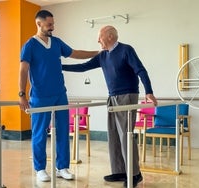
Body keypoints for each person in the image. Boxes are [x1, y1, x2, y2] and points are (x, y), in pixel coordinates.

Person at [62, 25, 157, 187]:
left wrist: (149, 91)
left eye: (100, 37)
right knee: (113, 134)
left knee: (126, 135)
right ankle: (120, 171)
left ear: (110, 36)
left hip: (127, 96)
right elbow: (83, 67)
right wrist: (60, 67)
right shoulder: (103, 55)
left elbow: (141, 70)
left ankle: (135, 174)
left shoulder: (126, 50)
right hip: (112, 97)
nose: (98, 40)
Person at [18, 10, 98, 182]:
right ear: (39, 24)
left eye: (53, 24)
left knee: (63, 132)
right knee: (39, 133)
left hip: (60, 94)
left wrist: (96, 53)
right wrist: (22, 95)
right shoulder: (30, 45)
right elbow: (23, 70)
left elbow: (75, 53)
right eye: (49, 25)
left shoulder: (57, 42)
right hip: (40, 96)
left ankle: (62, 167)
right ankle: (40, 169)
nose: (52, 27)